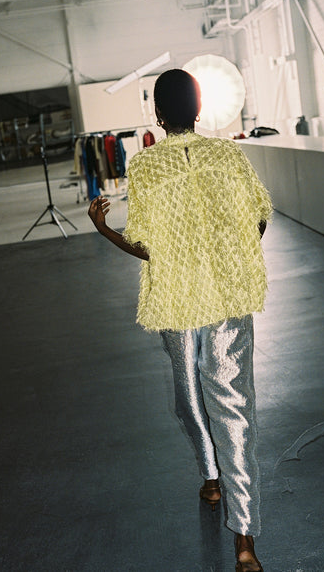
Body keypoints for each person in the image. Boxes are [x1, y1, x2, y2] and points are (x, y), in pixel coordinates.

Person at [88, 69, 273, 572]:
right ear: (199, 107)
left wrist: (104, 230)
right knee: (235, 411)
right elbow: (259, 215)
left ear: (157, 114)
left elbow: (147, 247)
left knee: (190, 397)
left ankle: (222, 494)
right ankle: (241, 533)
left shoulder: (146, 166)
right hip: (229, 298)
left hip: (178, 301)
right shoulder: (229, 156)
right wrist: (232, 256)